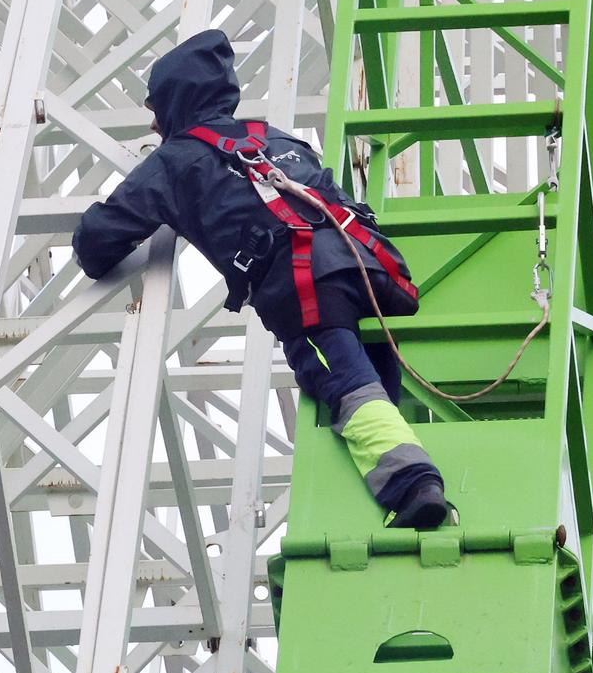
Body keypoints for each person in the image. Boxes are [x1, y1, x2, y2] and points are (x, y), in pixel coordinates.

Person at [71, 30, 453, 531]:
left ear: (176, 101)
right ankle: (395, 467)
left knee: (344, 385)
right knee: (376, 376)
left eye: (155, 107)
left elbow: (97, 244)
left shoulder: (175, 162)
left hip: (303, 290)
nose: (151, 121)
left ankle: (414, 485)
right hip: (362, 267)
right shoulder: (275, 138)